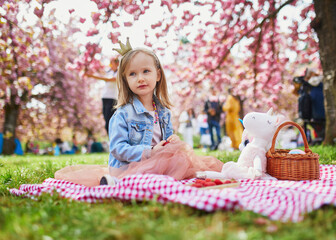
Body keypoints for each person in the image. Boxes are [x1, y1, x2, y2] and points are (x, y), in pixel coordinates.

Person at [54, 38, 223, 186]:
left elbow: (166, 140)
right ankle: (117, 183)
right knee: (152, 177)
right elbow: (118, 148)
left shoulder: (163, 112)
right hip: (127, 168)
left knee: (182, 162)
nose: (140, 78)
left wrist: (172, 141)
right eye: (132, 74)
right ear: (126, 81)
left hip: (156, 163)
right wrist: (149, 152)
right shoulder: (123, 114)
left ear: (158, 75)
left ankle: (201, 177)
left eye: (145, 71)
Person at [85, 58, 119, 135]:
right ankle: (110, 137)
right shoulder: (109, 72)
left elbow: (108, 79)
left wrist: (91, 76)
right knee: (105, 119)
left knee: (109, 120)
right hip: (105, 98)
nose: (110, 65)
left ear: (117, 64)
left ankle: (113, 138)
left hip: (112, 99)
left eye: (112, 63)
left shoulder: (118, 73)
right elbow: (100, 72)